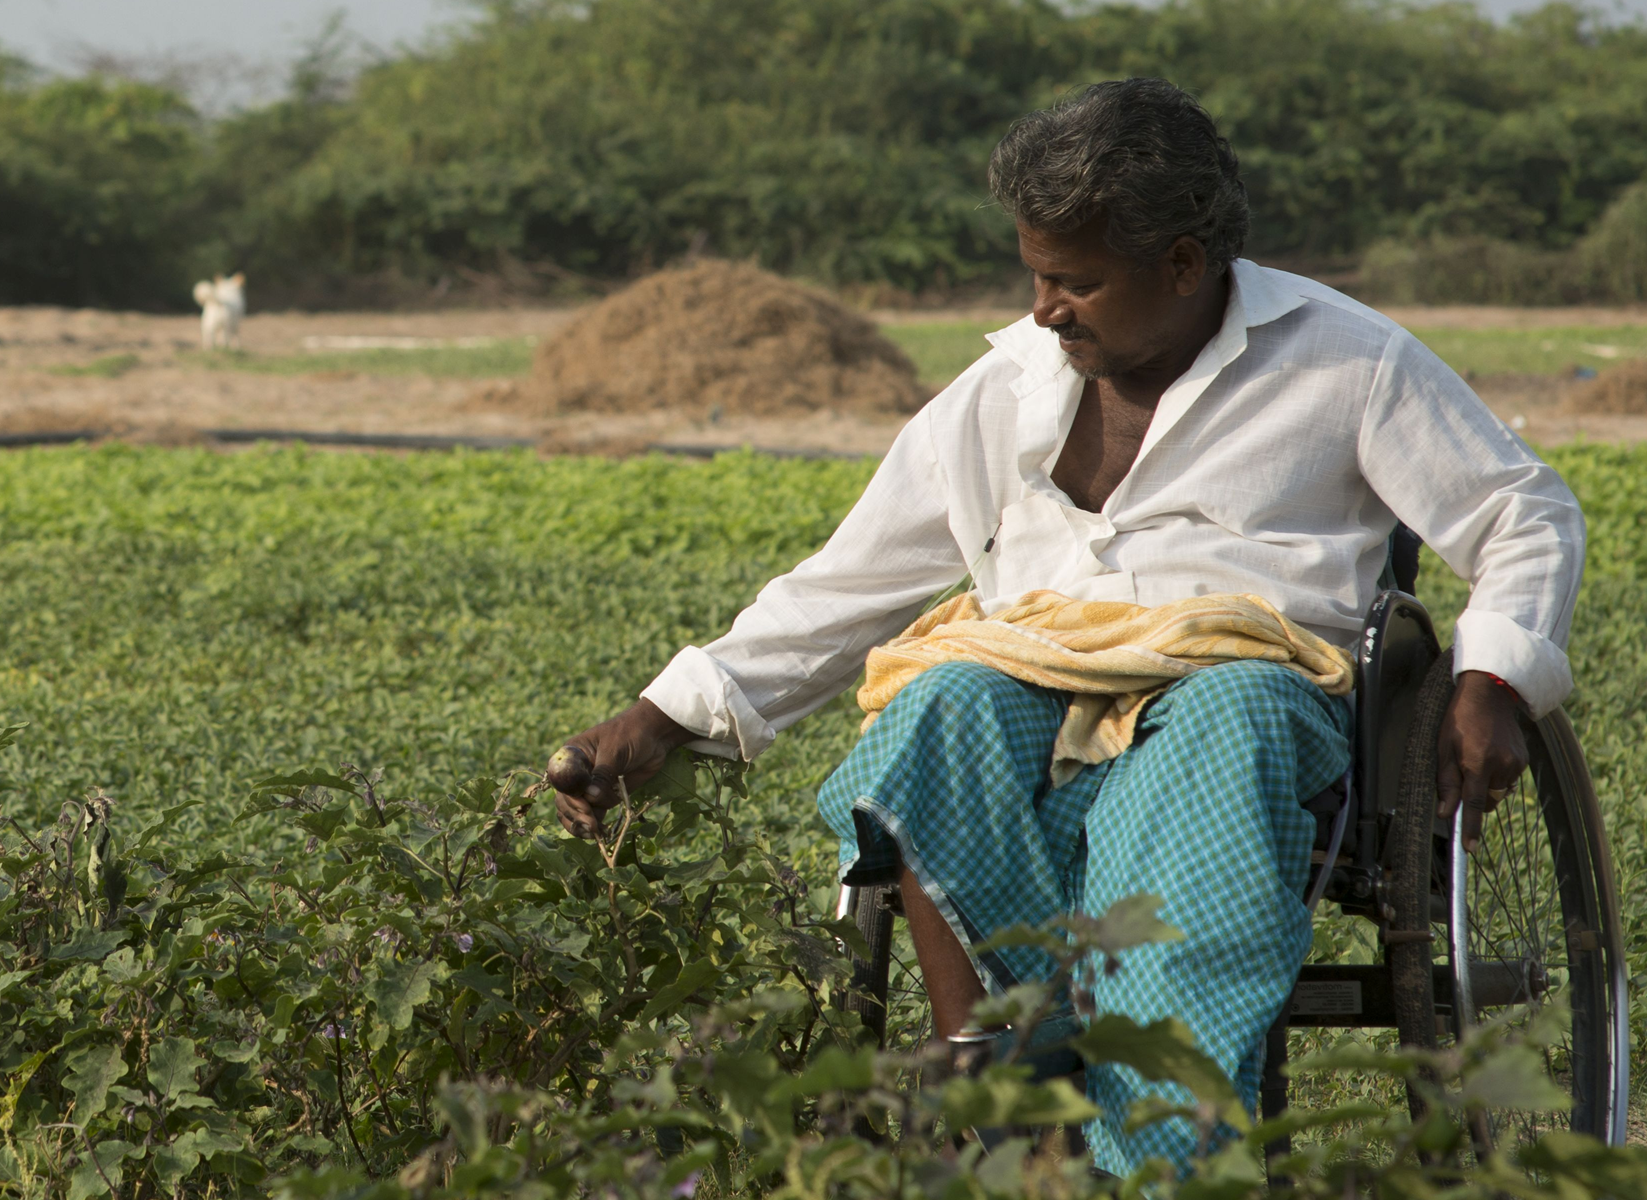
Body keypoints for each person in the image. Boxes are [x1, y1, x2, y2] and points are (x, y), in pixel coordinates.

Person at [543, 78, 1583, 1169]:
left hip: (1247, 684)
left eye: (1074, 282)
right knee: (939, 703)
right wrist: (663, 717)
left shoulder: (1345, 362)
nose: (1043, 309)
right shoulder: (1005, 389)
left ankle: (1160, 1138)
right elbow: (846, 583)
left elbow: (1519, 512)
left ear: (1182, 265)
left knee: (1218, 734)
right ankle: (992, 1064)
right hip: (1032, 677)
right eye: (1036, 275)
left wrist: (1492, 678)